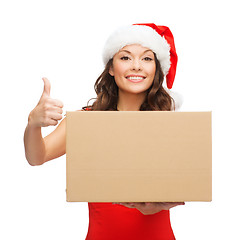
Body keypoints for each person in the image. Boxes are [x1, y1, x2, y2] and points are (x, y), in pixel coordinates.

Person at [24, 23, 185, 240]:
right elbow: (37, 156)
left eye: (146, 58)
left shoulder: (170, 124)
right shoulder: (85, 121)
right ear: (111, 67)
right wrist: (33, 124)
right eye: (125, 57)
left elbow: (184, 183)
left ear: (156, 68)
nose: (136, 66)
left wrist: (161, 204)